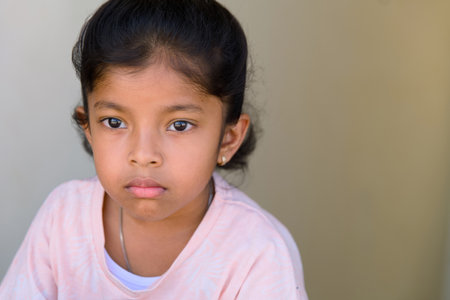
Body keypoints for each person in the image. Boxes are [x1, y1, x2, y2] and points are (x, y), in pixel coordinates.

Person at [0, 0, 308, 298]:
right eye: (114, 122)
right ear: (89, 128)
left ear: (228, 138)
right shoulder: (63, 220)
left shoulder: (257, 251)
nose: (144, 154)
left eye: (179, 125)